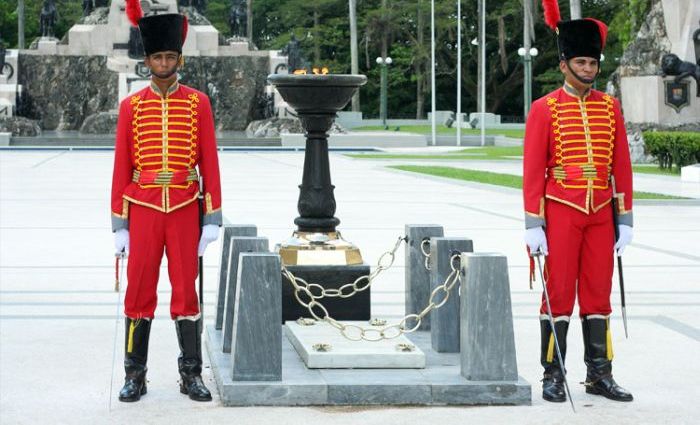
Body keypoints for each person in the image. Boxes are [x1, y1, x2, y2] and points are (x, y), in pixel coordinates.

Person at [523, 0, 634, 403]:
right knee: (558, 293)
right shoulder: (545, 108)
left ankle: (599, 375)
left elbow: (620, 165)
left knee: (597, 293)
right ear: (564, 65)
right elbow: (534, 170)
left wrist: (626, 219)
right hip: (560, 211)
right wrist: (533, 224)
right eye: (581, 62)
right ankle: (552, 374)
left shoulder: (611, 107)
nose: (588, 69)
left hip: (602, 213)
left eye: (593, 63)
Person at [111, 0, 222, 402]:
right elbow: (121, 168)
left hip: (183, 210)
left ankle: (191, 374)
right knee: (138, 291)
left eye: (169, 56)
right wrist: (119, 225)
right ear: (148, 60)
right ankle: (134, 375)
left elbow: (209, 160)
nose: (163, 62)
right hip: (141, 211)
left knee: (185, 292)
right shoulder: (130, 107)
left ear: (178, 58)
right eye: (157, 56)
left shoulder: (198, 103)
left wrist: (212, 218)